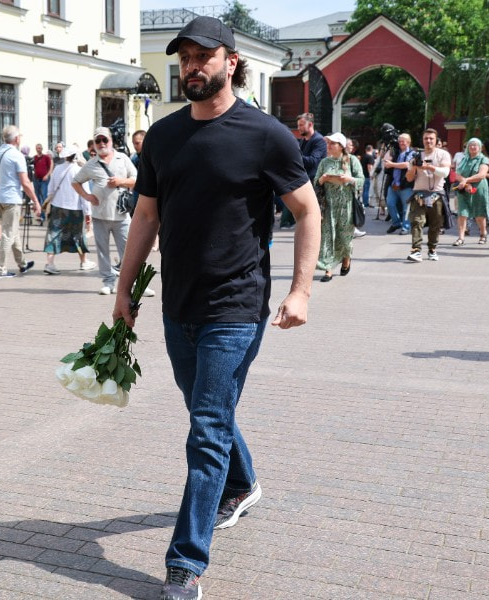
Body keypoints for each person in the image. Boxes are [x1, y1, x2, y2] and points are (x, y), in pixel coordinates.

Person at [111, 17, 320, 600]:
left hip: (237, 305)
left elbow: (307, 211)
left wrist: (301, 291)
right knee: (209, 410)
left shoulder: (266, 135)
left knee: (205, 429)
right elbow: (146, 217)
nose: (192, 66)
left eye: (205, 56)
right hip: (178, 305)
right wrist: (125, 289)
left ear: (232, 62)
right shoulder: (164, 137)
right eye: (185, 58)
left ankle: (185, 564)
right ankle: (245, 482)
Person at [72, 126, 139, 295]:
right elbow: (75, 181)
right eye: (98, 141)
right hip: (100, 215)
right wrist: (87, 196)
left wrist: (120, 181)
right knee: (103, 251)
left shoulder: (122, 158)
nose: (102, 143)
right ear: (94, 144)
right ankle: (108, 282)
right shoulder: (91, 164)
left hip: (121, 215)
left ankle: (135, 283)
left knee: (128, 251)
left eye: (104, 140)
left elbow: (137, 179)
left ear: (111, 141)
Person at [0, 126, 41, 278]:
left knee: (13, 232)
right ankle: (0, 269)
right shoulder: (16, 155)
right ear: (17, 139)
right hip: (11, 199)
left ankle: (22, 264)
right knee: (8, 234)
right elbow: (25, 182)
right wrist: (36, 201)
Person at [314, 133, 364, 281]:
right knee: (327, 238)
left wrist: (349, 179)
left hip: (346, 206)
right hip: (328, 206)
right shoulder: (324, 162)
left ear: (341, 146)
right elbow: (315, 182)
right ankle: (328, 269)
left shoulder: (352, 160)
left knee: (345, 238)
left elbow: (361, 181)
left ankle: (346, 258)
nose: (328, 146)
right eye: (328, 144)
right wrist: (323, 179)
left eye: (332, 144)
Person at [42, 145, 96, 274]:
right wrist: (88, 212)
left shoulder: (57, 169)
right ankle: (83, 262)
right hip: (75, 208)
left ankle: (49, 263)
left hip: (58, 207)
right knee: (78, 236)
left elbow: (51, 189)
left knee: (53, 234)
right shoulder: (79, 170)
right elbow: (85, 193)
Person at [405, 128, 452, 262]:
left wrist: (429, 167)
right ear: (422, 140)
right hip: (418, 194)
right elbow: (408, 178)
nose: (428, 141)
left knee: (435, 224)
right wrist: (414, 167)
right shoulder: (416, 156)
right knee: (417, 221)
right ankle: (416, 250)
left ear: (436, 140)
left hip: (436, 194)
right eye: (426, 138)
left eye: (431, 138)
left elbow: (445, 173)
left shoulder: (443, 154)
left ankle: (432, 249)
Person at [280, 112, 325, 229]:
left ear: (310, 125)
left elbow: (313, 161)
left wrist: (294, 156)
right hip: (301, 177)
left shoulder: (318, 140)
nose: (299, 128)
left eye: (301, 125)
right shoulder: (302, 141)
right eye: (298, 125)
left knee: (310, 209)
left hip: (314, 179)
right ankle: (289, 222)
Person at [452, 138, 489, 246]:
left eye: (475, 145)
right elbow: (457, 174)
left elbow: (482, 175)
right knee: (462, 213)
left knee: (479, 214)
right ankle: (461, 238)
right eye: (470, 145)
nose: (473, 147)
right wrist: (466, 183)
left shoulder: (483, 159)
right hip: (464, 188)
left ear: (480, 148)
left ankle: (483, 234)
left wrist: (466, 180)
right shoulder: (465, 159)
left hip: (478, 189)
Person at [383, 133, 416, 235]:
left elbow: (407, 164)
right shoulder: (395, 151)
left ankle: (406, 227)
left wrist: (392, 164)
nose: (401, 143)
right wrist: (390, 148)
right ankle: (396, 222)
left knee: (406, 207)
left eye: (403, 141)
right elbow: (385, 160)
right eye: (400, 141)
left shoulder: (412, 152)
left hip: (405, 184)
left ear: (409, 142)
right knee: (390, 203)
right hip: (393, 184)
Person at [32, 143, 52, 222]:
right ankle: (40, 214)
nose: (38, 149)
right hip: (36, 179)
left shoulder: (46, 157)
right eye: (37, 148)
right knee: (37, 197)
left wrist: (47, 175)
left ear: (42, 149)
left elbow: (50, 167)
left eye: (40, 148)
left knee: (44, 196)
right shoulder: (34, 158)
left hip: (44, 180)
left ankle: (44, 215)